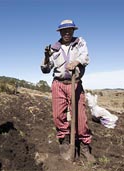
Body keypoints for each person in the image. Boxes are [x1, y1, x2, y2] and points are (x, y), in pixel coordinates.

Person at [40, 19, 95, 163]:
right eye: (64, 30)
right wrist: (46, 57)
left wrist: (76, 62)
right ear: (60, 32)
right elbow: (46, 69)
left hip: (75, 84)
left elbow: (85, 57)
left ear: (73, 31)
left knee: (80, 117)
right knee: (58, 115)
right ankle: (64, 142)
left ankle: (84, 147)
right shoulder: (54, 48)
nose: (67, 33)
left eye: (70, 30)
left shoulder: (80, 42)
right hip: (58, 84)